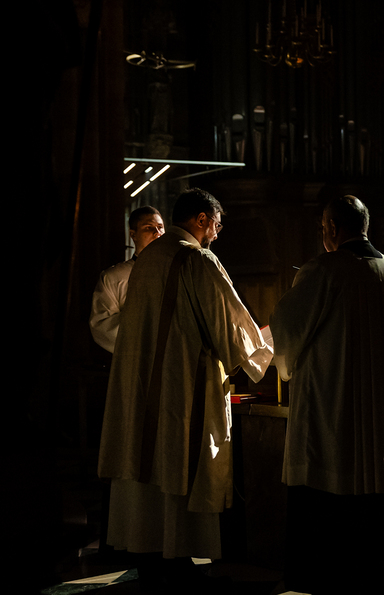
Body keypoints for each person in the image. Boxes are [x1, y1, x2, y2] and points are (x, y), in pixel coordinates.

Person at [98, 188, 273, 588]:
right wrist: (264, 346)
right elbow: (228, 322)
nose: (217, 233)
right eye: (217, 224)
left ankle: (150, 555)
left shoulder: (148, 258)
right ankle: (178, 558)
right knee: (178, 464)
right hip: (181, 386)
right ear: (201, 219)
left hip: (141, 387)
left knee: (149, 466)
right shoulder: (196, 258)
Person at [270, 195, 384, 594]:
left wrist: (284, 364)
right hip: (380, 411)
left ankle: (328, 579)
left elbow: (287, 329)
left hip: (332, 405)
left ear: (332, 228)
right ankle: (375, 579)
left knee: (330, 475)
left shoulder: (324, 269)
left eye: (323, 227)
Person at [89, 206, 165, 352]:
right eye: (148, 228)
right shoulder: (113, 277)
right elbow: (102, 326)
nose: (157, 233)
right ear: (133, 234)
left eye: (160, 227)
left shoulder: (179, 271)